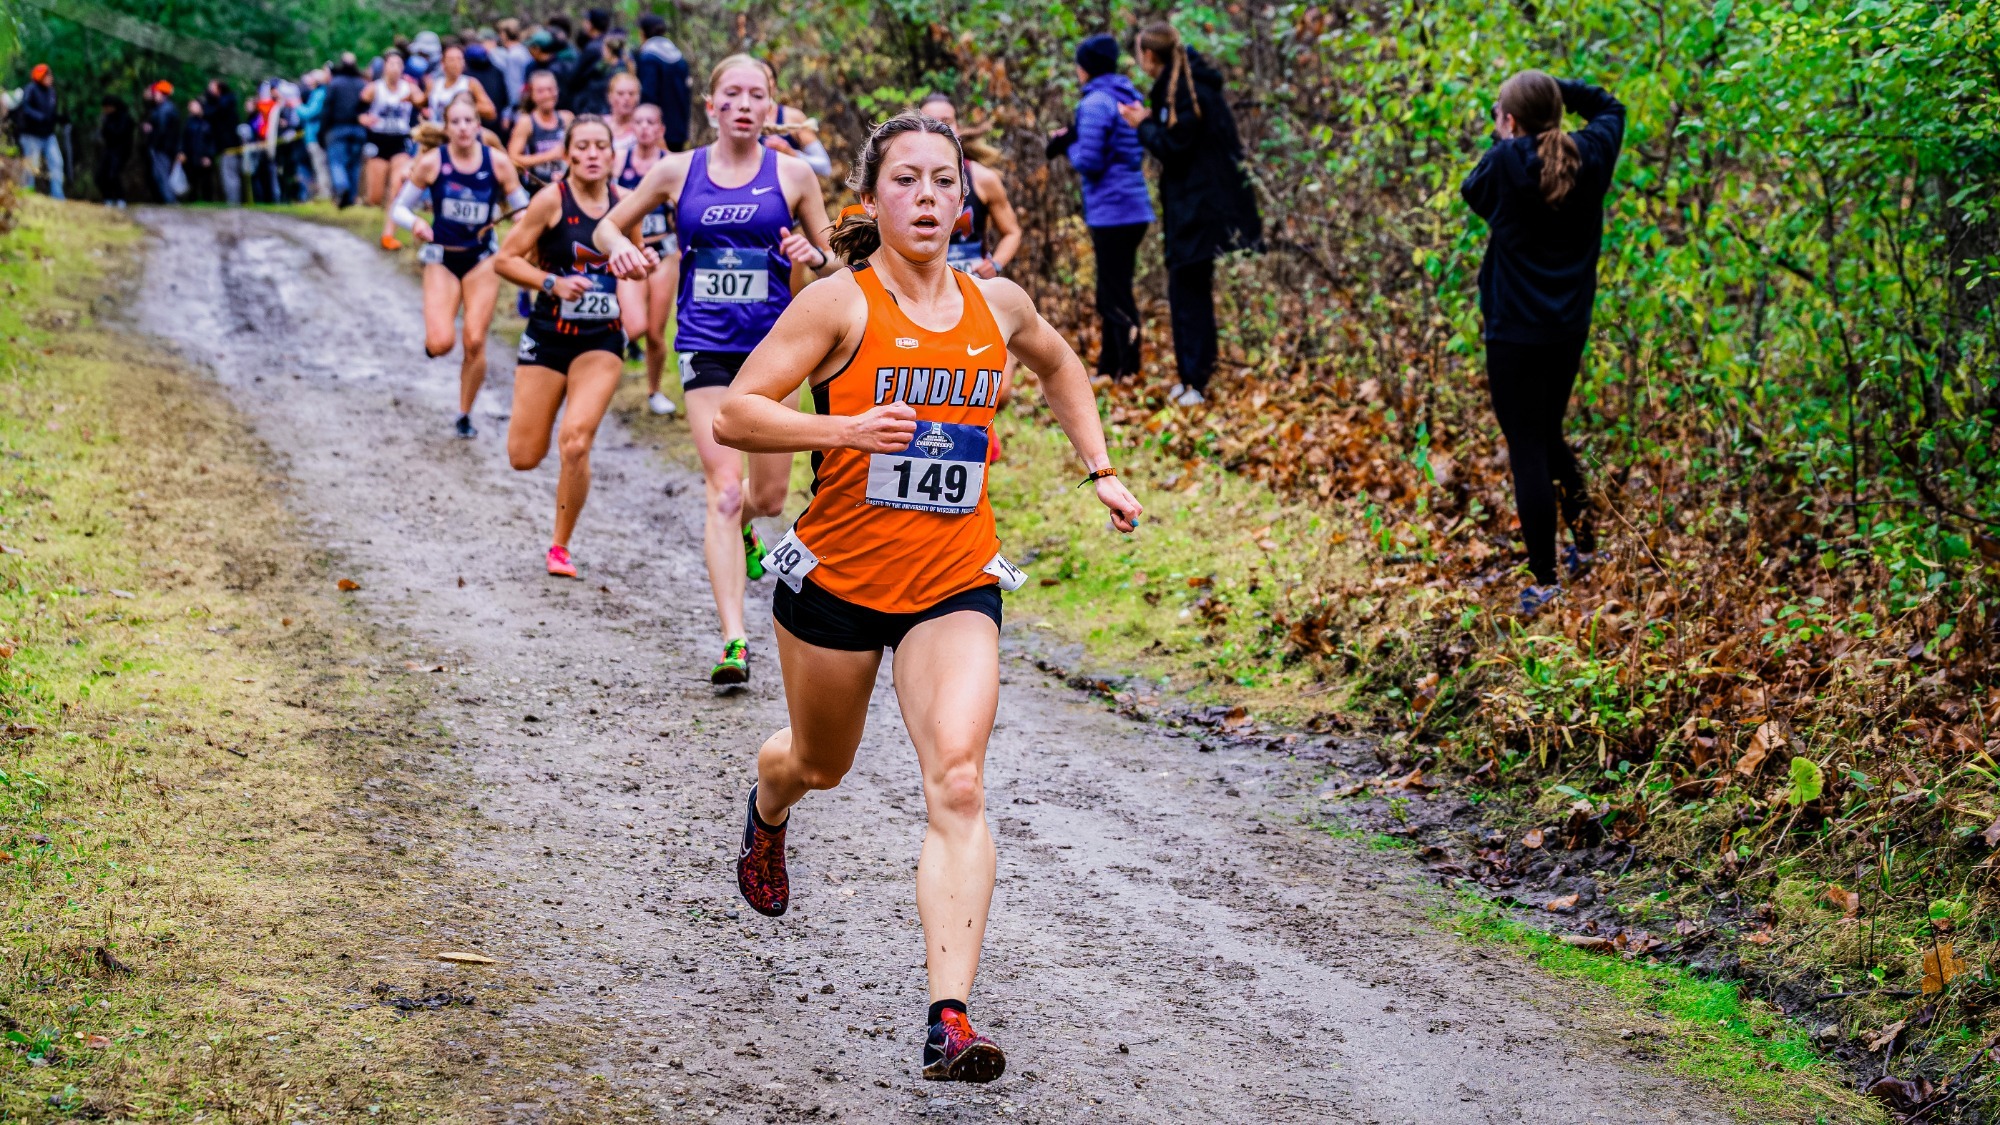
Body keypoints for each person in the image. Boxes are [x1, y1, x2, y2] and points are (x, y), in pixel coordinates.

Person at [711, 111, 1143, 1084]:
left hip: (952, 581)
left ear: (963, 197)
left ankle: (948, 1018)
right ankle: (768, 803)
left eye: (942, 182)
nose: (926, 198)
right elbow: (739, 411)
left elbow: (1059, 362)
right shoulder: (839, 305)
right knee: (820, 762)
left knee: (957, 779)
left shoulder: (998, 304)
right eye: (904, 181)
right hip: (836, 582)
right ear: (871, 200)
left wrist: (1099, 468)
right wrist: (844, 432)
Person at [597, 53, 838, 685]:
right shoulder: (677, 170)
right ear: (710, 106)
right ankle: (735, 640)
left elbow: (839, 265)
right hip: (704, 344)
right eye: (730, 94)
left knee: (766, 496)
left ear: (769, 106)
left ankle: (749, 533)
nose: (742, 104)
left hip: (775, 351)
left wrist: (812, 254)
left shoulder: (793, 174)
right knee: (725, 492)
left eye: (755, 95)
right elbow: (605, 226)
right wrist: (624, 249)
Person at [1460, 71, 1624, 617]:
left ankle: (1545, 580)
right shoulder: (1590, 154)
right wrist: (1555, 86)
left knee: (1527, 444)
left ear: (1508, 121)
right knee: (1547, 433)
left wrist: (1507, 134)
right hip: (1567, 328)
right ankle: (1583, 545)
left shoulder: (1503, 164)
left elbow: (1473, 189)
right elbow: (1609, 107)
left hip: (1513, 330)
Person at [493, 115, 630, 579]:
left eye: (601, 146)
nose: (592, 154)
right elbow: (505, 259)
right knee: (523, 456)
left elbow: (639, 262)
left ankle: (560, 546)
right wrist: (551, 281)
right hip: (548, 337)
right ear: (568, 154)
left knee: (575, 442)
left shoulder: (627, 205)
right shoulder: (551, 201)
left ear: (613, 156)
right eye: (583, 146)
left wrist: (642, 264)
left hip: (602, 341)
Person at [1117, 22, 1263, 407]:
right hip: (1197, 207)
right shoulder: (1183, 85)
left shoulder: (1185, 89)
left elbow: (1175, 148)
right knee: (1188, 291)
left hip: (1200, 209)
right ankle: (1193, 377)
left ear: (1149, 55)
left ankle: (1196, 381)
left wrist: (1143, 124)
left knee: (1188, 292)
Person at [393, 95, 531, 439]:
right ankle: (435, 342)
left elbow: (526, 210)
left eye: (469, 121)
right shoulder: (432, 163)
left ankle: (465, 413)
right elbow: (399, 209)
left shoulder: (497, 163)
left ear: (478, 125)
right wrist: (417, 225)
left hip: (481, 259)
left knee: (474, 340)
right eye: (455, 122)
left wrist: (519, 230)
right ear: (447, 127)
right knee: (441, 344)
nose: (463, 128)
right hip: (442, 257)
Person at [1048, 34, 1153, 384]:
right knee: (1114, 286)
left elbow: (1089, 162)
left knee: (1113, 290)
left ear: (1085, 68)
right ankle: (1112, 366)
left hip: (1113, 210)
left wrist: (1067, 146)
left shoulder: (1095, 102)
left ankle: (1125, 368)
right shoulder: (1128, 96)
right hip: (1133, 207)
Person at [612, 102, 680, 416]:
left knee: (655, 331)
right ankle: (598, 368)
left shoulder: (673, 165)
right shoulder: (619, 162)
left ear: (661, 129)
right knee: (634, 325)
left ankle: (654, 392)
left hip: (664, 253)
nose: (644, 128)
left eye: (651, 123)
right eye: (638, 122)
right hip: (630, 249)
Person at [914, 94, 1020, 279]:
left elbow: (1012, 232)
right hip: (921, 286)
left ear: (958, 129)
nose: (939, 129)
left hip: (974, 285)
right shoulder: (902, 180)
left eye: (946, 122)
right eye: (929, 122)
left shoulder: (983, 178)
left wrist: (995, 264)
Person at [361, 51, 424, 249]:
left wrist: (421, 101)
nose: (395, 68)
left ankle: (388, 235)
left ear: (403, 68)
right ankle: (382, 201)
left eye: (398, 64)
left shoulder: (409, 88)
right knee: (375, 197)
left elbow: (424, 102)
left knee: (398, 188)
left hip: (400, 141)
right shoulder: (374, 89)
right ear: (385, 67)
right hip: (378, 142)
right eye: (391, 64)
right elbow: (357, 109)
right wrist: (362, 119)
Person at [507, 70, 572, 190]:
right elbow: (512, 159)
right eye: (541, 91)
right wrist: (549, 156)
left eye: (550, 89)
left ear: (557, 91)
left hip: (565, 186)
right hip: (536, 188)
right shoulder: (526, 122)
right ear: (532, 95)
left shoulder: (567, 118)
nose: (547, 95)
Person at [635, 14, 691, 152]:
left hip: (659, 130)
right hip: (678, 127)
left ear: (642, 33)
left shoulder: (649, 58)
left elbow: (648, 94)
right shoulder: (678, 56)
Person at [324, 55, 370, 208]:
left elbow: (327, 109)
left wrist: (323, 131)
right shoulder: (362, 84)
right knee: (354, 164)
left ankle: (342, 187)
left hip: (338, 128)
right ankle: (351, 197)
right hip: (358, 130)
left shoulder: (334, 84)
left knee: (337, 162)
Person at [17, 65, 62, 200]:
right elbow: (25, 108)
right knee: (32, 166)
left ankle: (58, 196)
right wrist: (39, 117)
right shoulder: (31, 89)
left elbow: (52, 113)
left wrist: (59, 119)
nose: (50, 79)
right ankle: (28, 194)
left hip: (48, 135)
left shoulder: (51, 92)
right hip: (31, 135)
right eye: (47, 76)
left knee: (57, 162)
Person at [428, 43, 496, 124]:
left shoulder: (470, 83)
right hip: (436, 132)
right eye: (451, 59)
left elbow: (490, 111)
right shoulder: (435, 84)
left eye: (459, 59)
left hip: (460, 132)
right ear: (442, 63)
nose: (456, 63)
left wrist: (463, 106)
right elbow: (421, 102)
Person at [203, 80, 243, 205]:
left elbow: (211, 113)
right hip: (225, 146)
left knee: (230, 176)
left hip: (229, 147)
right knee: (228, 176)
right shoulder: (224, 104)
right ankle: (232, 202)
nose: (209, 91)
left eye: (211, 88)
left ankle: (234, 203)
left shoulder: (224, 106)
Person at [141, 82, 181, 204]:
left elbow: (162, 130)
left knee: (162, 174)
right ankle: (167, 200)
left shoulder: (165, 109)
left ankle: (170, 201)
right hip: (163, 147)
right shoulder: (163, 108)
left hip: (162, 147)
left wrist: (153, 139)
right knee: (158, 173)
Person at [297, 69, 331, 200]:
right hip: (315, 135)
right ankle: (323, 193)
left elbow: (310, 113)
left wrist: (297, 106)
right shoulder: (318, 93)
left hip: (316, 136)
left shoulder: (319, 94)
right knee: (319, 165)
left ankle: (325, 194)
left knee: (320, 165)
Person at [95, 95, 134, 206]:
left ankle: (120, 199)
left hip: (121, 151)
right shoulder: (108, 118)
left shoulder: (125, 118)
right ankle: (108, 198)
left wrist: (106, 127)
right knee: (101, 175)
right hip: (110, 149)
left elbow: (119, 134)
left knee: (113, 174)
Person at [494, 19, 533, 109]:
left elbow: (514, 85)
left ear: (505, 35)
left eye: (500, 33)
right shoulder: (523, 50)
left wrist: (512, 108)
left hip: (518, 105)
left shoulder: (513, 56)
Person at [181, 98, 215, 202]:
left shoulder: (208, 121)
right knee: (192, 180)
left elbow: (212, 140)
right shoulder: (188, 123)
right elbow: (184, 139)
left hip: (204, 156)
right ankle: (192, 199)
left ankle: (207, 200)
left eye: (194, 105)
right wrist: (182, 152)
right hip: (191, 157)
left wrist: (209, 156)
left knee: (206, 181)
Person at [605, 71, 641, 150]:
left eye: (631, 93)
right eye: (620, 93)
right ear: (610, 96)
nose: (627, 98)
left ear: (638, 97)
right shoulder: (600, 125)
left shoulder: (645, 127)